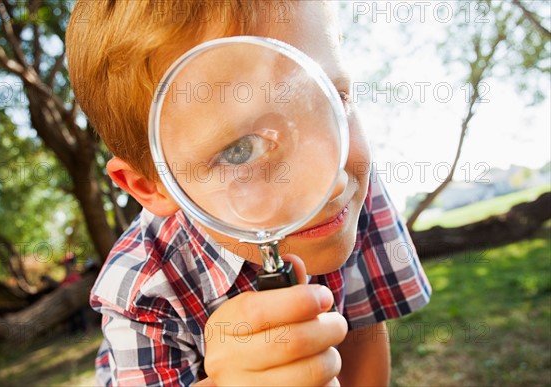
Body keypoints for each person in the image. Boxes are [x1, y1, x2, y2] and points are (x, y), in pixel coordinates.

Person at [66, 1, 432, 386]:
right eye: (242, 149)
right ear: (148, 186)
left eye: (334, 100)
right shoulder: (140, 290)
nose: (331, 181)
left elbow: (361, 327)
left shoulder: (352, 179)